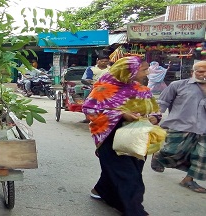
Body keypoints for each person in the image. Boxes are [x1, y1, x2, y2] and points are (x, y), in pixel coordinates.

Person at [82, 56, 161, 216]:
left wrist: (154, 117)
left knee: (131, 170)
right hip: (111, 138)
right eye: (143, 70)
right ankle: (134, 211)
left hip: (138, 137)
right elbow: (90, 110)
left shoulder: (142, 90)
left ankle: (102, 190)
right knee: (129, 177)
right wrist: (120, 114)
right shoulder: (103, 89)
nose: (147, 73)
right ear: (128, 71)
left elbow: (154, 109)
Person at [150, 60, 206, 193]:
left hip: (203, 128)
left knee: (201, 156)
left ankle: (188, 180)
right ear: (193, 72)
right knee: (172, 151)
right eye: (200, 71)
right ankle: (159, 156)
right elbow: (162, 102)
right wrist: (156, 116)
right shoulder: (178, 85)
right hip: (180, 125)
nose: (204, 74)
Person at [78, 53, 111, 123]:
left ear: (108, 61)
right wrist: (91, 83)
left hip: (108, 87)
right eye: (102, 61)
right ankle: (87, 117)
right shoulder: (91, 69)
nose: (104, 63)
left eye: (106, 61)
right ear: (97, 61)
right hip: (93, 86)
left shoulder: (111, 69)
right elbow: (87, 79)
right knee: (87, 96)